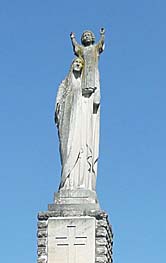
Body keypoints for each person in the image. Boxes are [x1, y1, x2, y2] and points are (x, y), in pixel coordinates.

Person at [55, 29, 105, 192]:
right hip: (70, 127)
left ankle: (82, 182)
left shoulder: (87, 92)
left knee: (83, 149)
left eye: (80, 64)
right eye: (75, 63)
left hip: (82, 124)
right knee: (69, 149)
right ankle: (67, 182)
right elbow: (59, 105)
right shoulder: (66, 85)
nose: (78, 65)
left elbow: (95, 103)